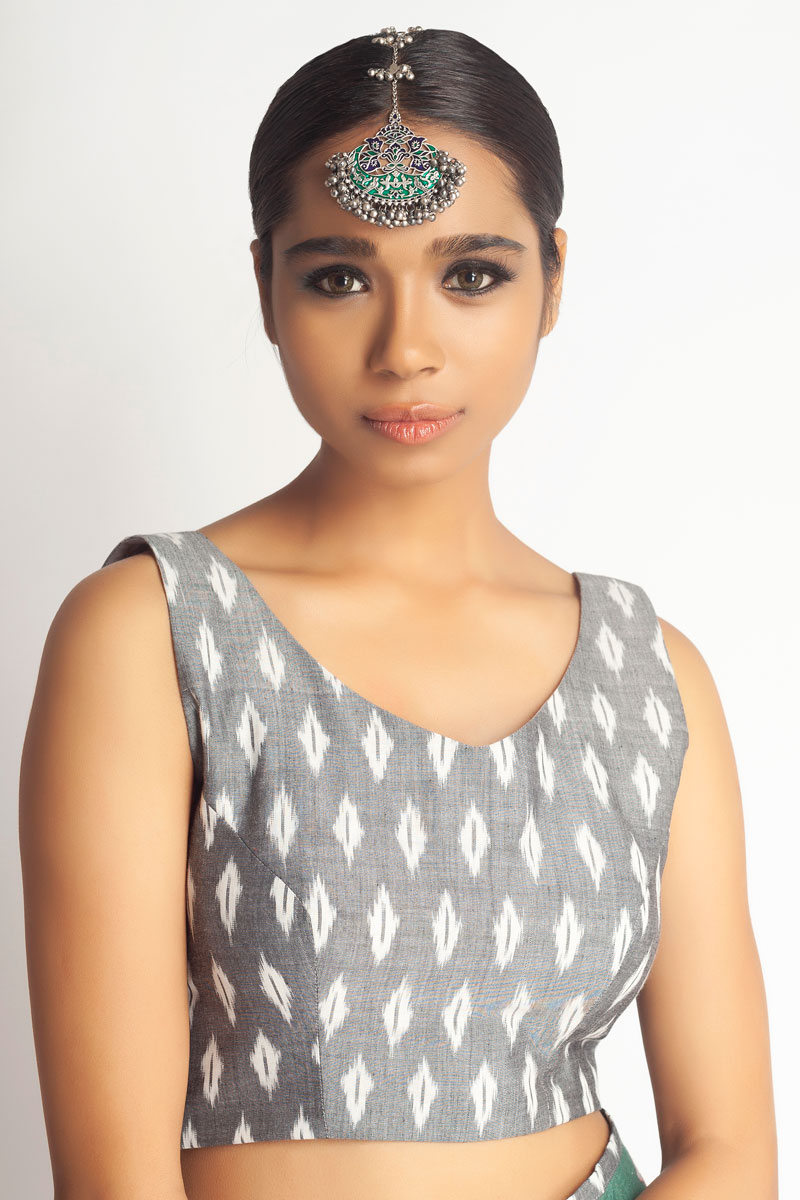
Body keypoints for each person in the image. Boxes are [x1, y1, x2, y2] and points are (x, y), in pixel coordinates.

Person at [19, 24, 777, 1200]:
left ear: (553, 279)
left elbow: (730, 1152)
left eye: (470, 274)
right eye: (339, 277)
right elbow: (114, 1180)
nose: (406, 347)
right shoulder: (151, 634)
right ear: (266, 287)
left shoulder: (647, 675)